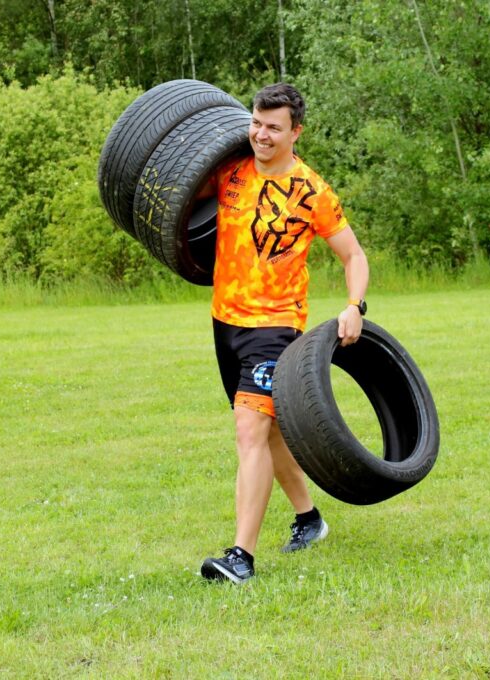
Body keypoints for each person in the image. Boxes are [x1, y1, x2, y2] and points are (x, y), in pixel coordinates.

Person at [198, 83, 369, 584]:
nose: (261, 134)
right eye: (256, 123)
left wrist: (354, 306)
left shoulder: (311, 191)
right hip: (225, 320)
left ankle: (240, 558)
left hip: (275, 326)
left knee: (249, 430)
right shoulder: (230, 172)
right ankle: (309, 519)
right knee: (270, 433)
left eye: (273, 127)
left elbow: (353, 255)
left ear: (296, 132)